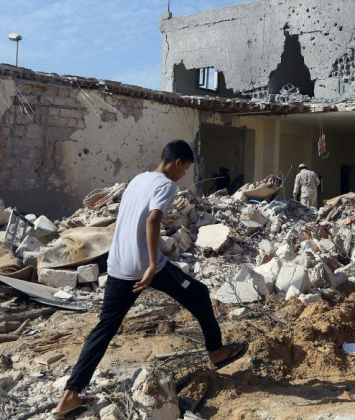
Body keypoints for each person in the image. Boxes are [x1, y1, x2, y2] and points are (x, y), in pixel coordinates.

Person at [54, 140, 247, 417]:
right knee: (199, 294)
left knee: (104, 329)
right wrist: (153, 263)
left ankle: (69, 396)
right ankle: (216, 352)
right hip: (145, 266)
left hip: (119, 263)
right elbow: (152, 220)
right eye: (187, 168)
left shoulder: (138, 180)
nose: (184, 175)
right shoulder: (166, 185)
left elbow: (134, 218)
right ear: (178, 162)